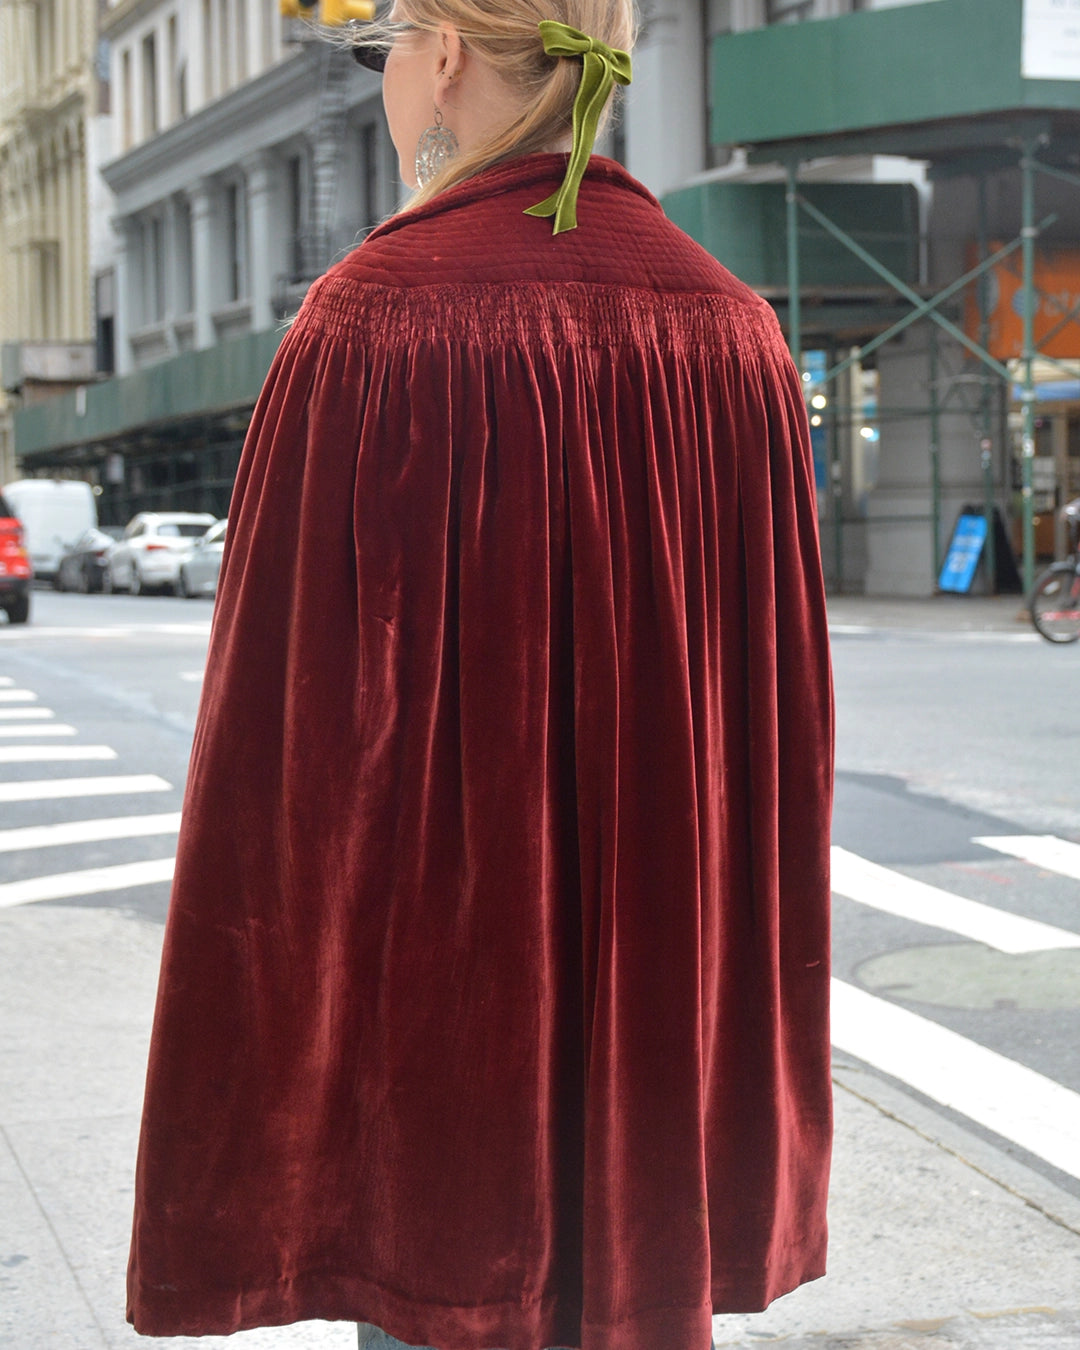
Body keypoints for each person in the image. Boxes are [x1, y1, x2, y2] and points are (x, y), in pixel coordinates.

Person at [126, 0, 834, 1346]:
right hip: (657, 1004)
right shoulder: (735, 333)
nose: (390, 70)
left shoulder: (366, 321)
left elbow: (287, 748)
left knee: (435, 1289)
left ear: (446, 52)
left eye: (387, 41)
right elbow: (773, 731)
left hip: (441, 1031)